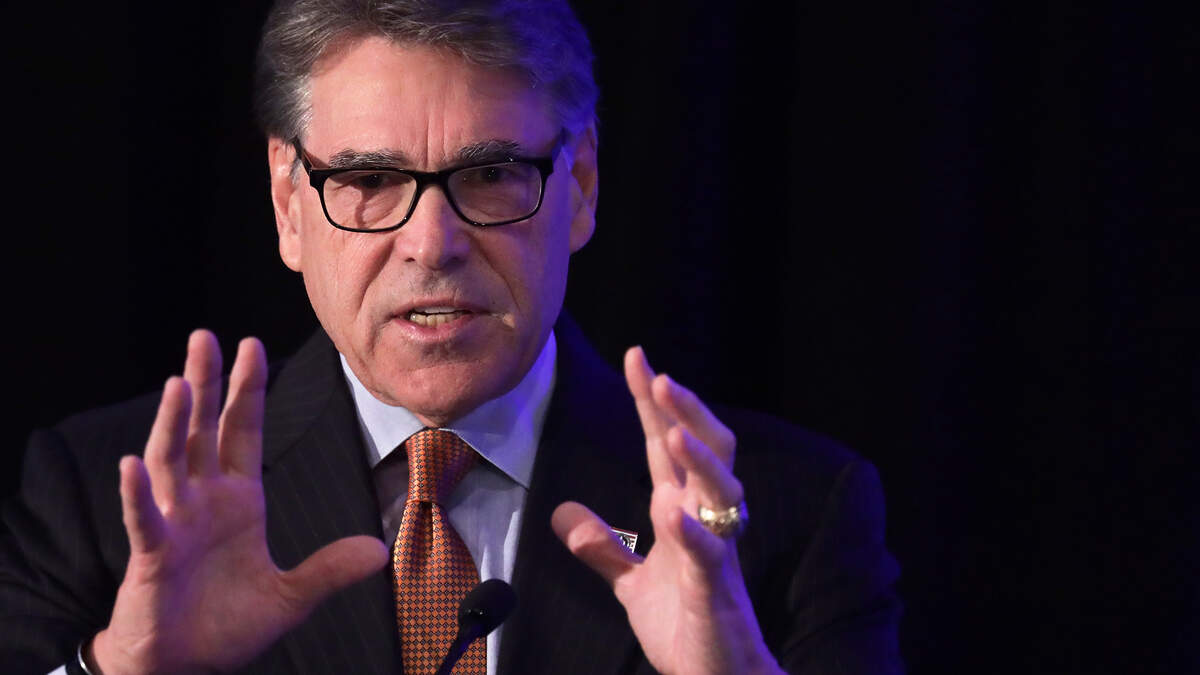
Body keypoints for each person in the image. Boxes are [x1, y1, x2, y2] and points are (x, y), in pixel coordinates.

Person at [0, 1, 902, 673]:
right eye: (369, 181)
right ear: (287, 202)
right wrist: (117, 668)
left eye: (493, 173)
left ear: (581, 185)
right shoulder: (101, 497)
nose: (432, 243)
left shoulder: (795, 514)